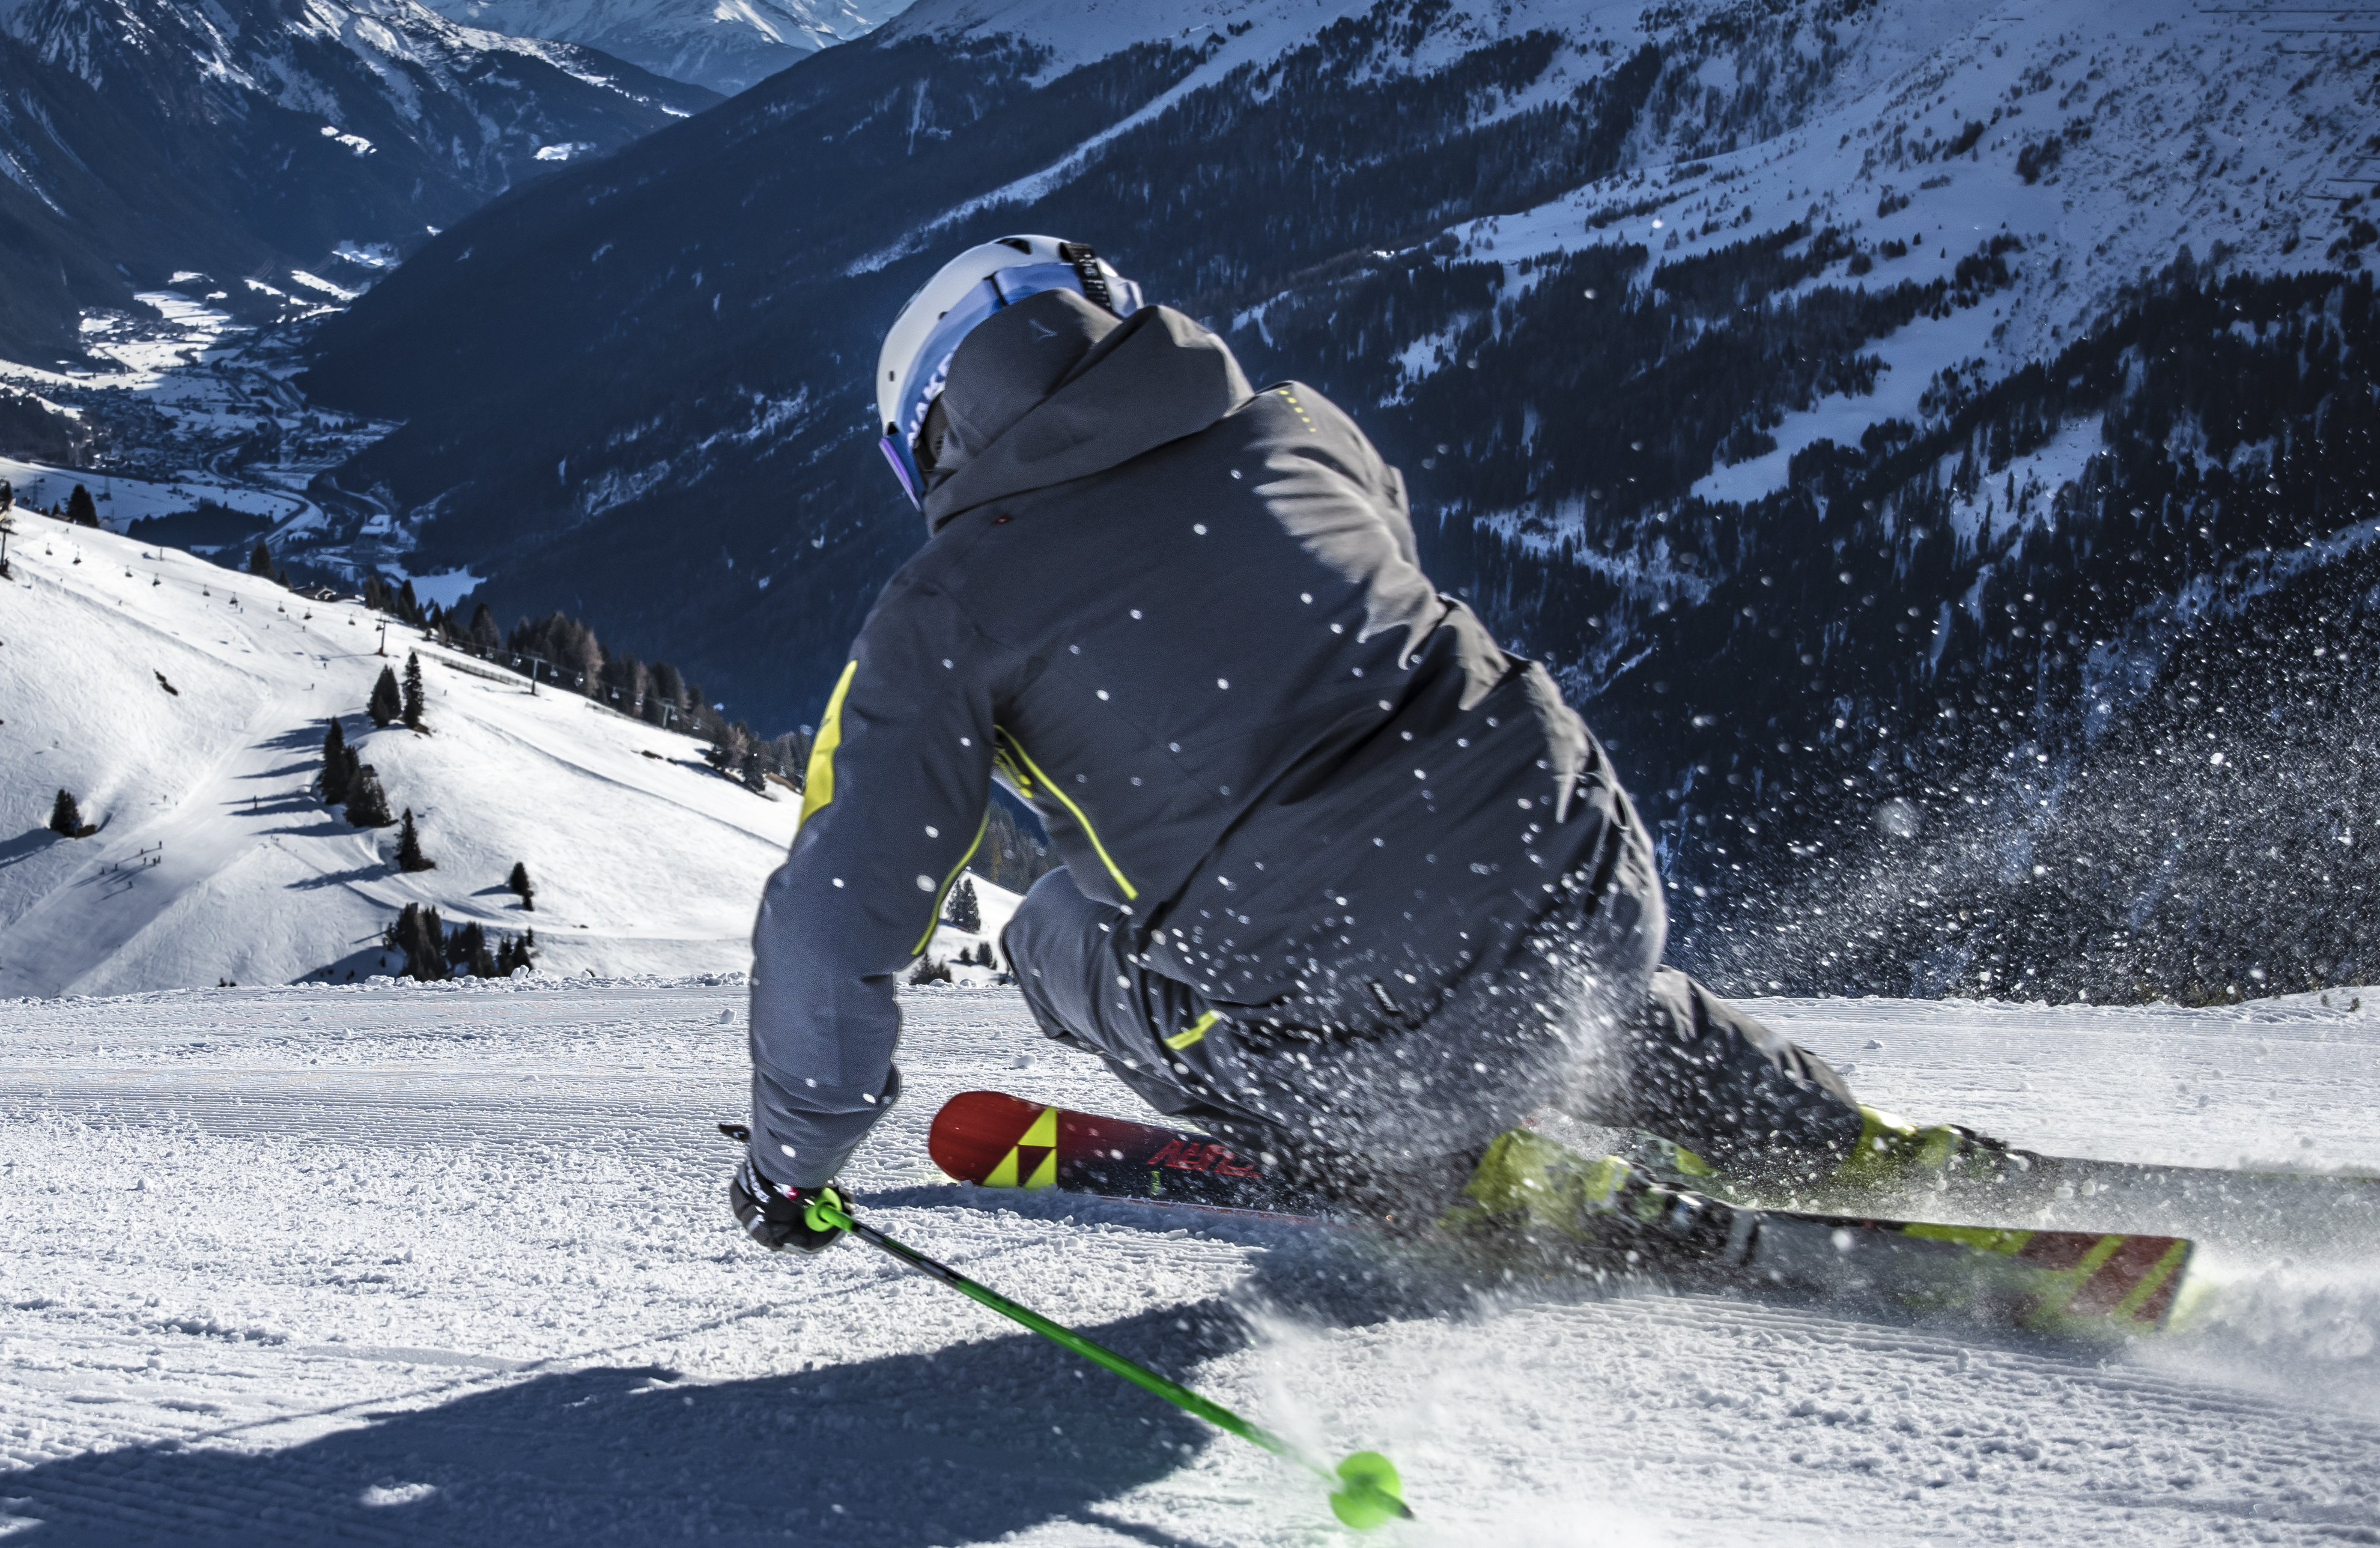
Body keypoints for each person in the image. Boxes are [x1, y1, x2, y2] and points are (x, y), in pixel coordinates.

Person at [731, 235, 2001, 1258]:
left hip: (1366, 1038)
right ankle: (1825, 1133)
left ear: (939, 433)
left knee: (1050, 930)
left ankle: (1405, 1158)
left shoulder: (943, 611)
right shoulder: (1294, 428)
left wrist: (791, 1168)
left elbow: (838, 919)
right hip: (1599, 900)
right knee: (1499, 928)